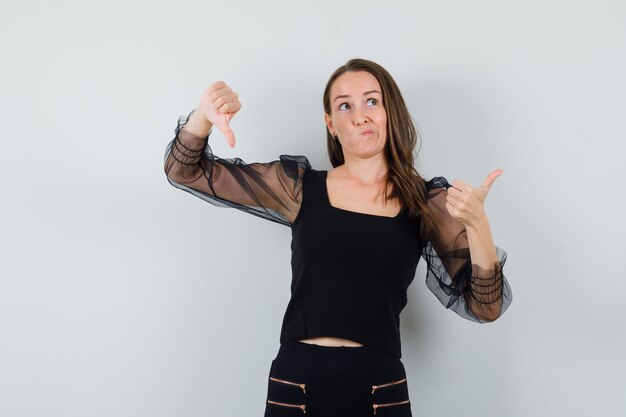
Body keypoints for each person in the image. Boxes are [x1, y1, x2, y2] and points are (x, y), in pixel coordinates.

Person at [163, 58, 512, 417]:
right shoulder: (298, 187)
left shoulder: (425, 203)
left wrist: (478, 225)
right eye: (345, 105)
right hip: (297, 380)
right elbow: (184, 171)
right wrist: (203, 115)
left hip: (380, 385)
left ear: (391, 112)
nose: (360, 115)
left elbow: (485, 307)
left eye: (371, 101)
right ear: (331, 123)